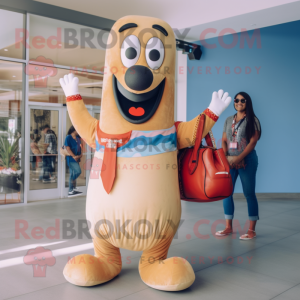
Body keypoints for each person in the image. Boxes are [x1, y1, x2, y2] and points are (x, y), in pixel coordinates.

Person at [216, 91, 261, 240]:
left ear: (247, 102)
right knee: (226, 193)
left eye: (243, 100)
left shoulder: (253, 120)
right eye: (236, 100)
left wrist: (239, 158)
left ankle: (251, 230)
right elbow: (223, 140)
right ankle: (228, 227)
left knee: (249, 194)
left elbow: (253, 142)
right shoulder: (229, 120)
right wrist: (227, 157)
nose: (239, 102)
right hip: (230, 161)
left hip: (247, 161)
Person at [65, 125, 83, 197]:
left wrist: (80, 155)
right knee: (78, 171)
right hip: (71, 158)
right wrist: (74, 156)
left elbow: (80, 148)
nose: (78, 131)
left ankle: (71, 190)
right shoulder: (68, 137)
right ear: (74, 130)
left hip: (77, 158)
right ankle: (71, 189)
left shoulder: (78, 138)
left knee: (72, 174)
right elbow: (67, 148)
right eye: (77, 130)